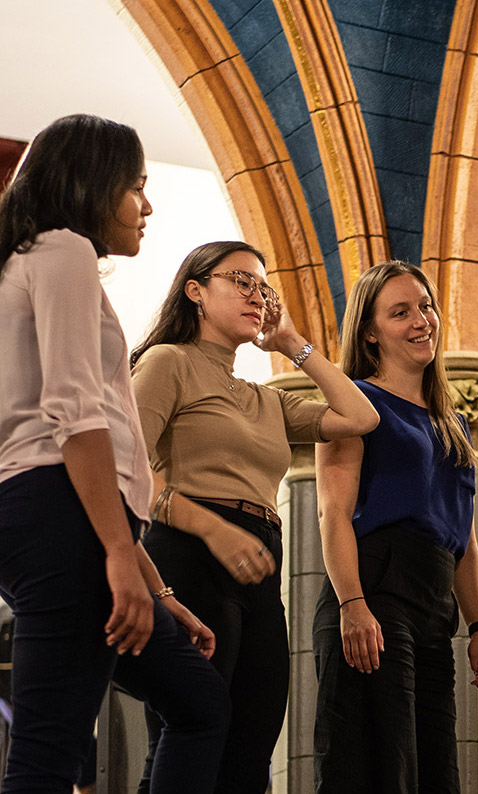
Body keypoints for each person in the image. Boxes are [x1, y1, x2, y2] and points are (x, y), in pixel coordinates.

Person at [0, 114, 231, 793]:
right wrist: (116, 558)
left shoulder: (24, 261)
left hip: (52, 519)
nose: (147, 205)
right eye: (135, 186)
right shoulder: (63, 250)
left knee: (199, 702)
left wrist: (154, 586)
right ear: (90, 183)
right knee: (47, 755)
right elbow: (74, 416)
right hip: (60, 519)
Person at [129, 240, 379, 793]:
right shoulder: (167, 362)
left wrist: (292, 343)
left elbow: (361, 415)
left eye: (262, 287)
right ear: (195, 291)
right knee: (193, 733)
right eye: (240, 281)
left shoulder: (266, 399)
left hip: (259, 564)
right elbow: (130, 472)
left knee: (253, 743)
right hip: (189, 552)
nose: (256, 295)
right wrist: (212, 528)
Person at [313, 261, 478, 793]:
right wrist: (352, 603)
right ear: (370, 332)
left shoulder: (454, 423)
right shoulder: (354, 402)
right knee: (377, 769)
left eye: (426, 306)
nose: (422, 321)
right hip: (374, 590)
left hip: (435, 608)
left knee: (437, 773)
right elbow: (332, 513)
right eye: (400, 312)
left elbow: (462, 536)